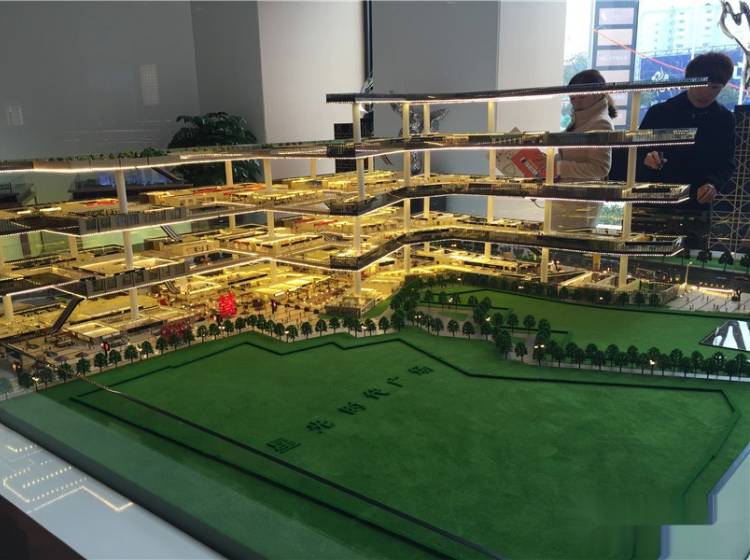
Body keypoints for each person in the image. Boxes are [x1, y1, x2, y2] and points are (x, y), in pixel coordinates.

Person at [626, 52, 736, 248]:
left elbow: (726, 164)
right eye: (701, 85)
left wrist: (713, 183)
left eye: (715, 88)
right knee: (642, 255)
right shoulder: (660, 112)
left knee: (690, 259)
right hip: (654, 203)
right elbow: (634, 153)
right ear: (688, 80)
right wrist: (646, 158)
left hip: (695, 207)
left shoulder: (724, 120)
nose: (706, 93)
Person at [551, 69, 618, 232]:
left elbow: (600, 168)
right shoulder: (582, 119)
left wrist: (558, 167)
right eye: (572, 98)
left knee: (570, 243)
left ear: (597, 94)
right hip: (570, 199)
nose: (576, 102)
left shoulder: (600, 123)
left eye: (581, 97)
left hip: (581, 202)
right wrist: (550, 163)